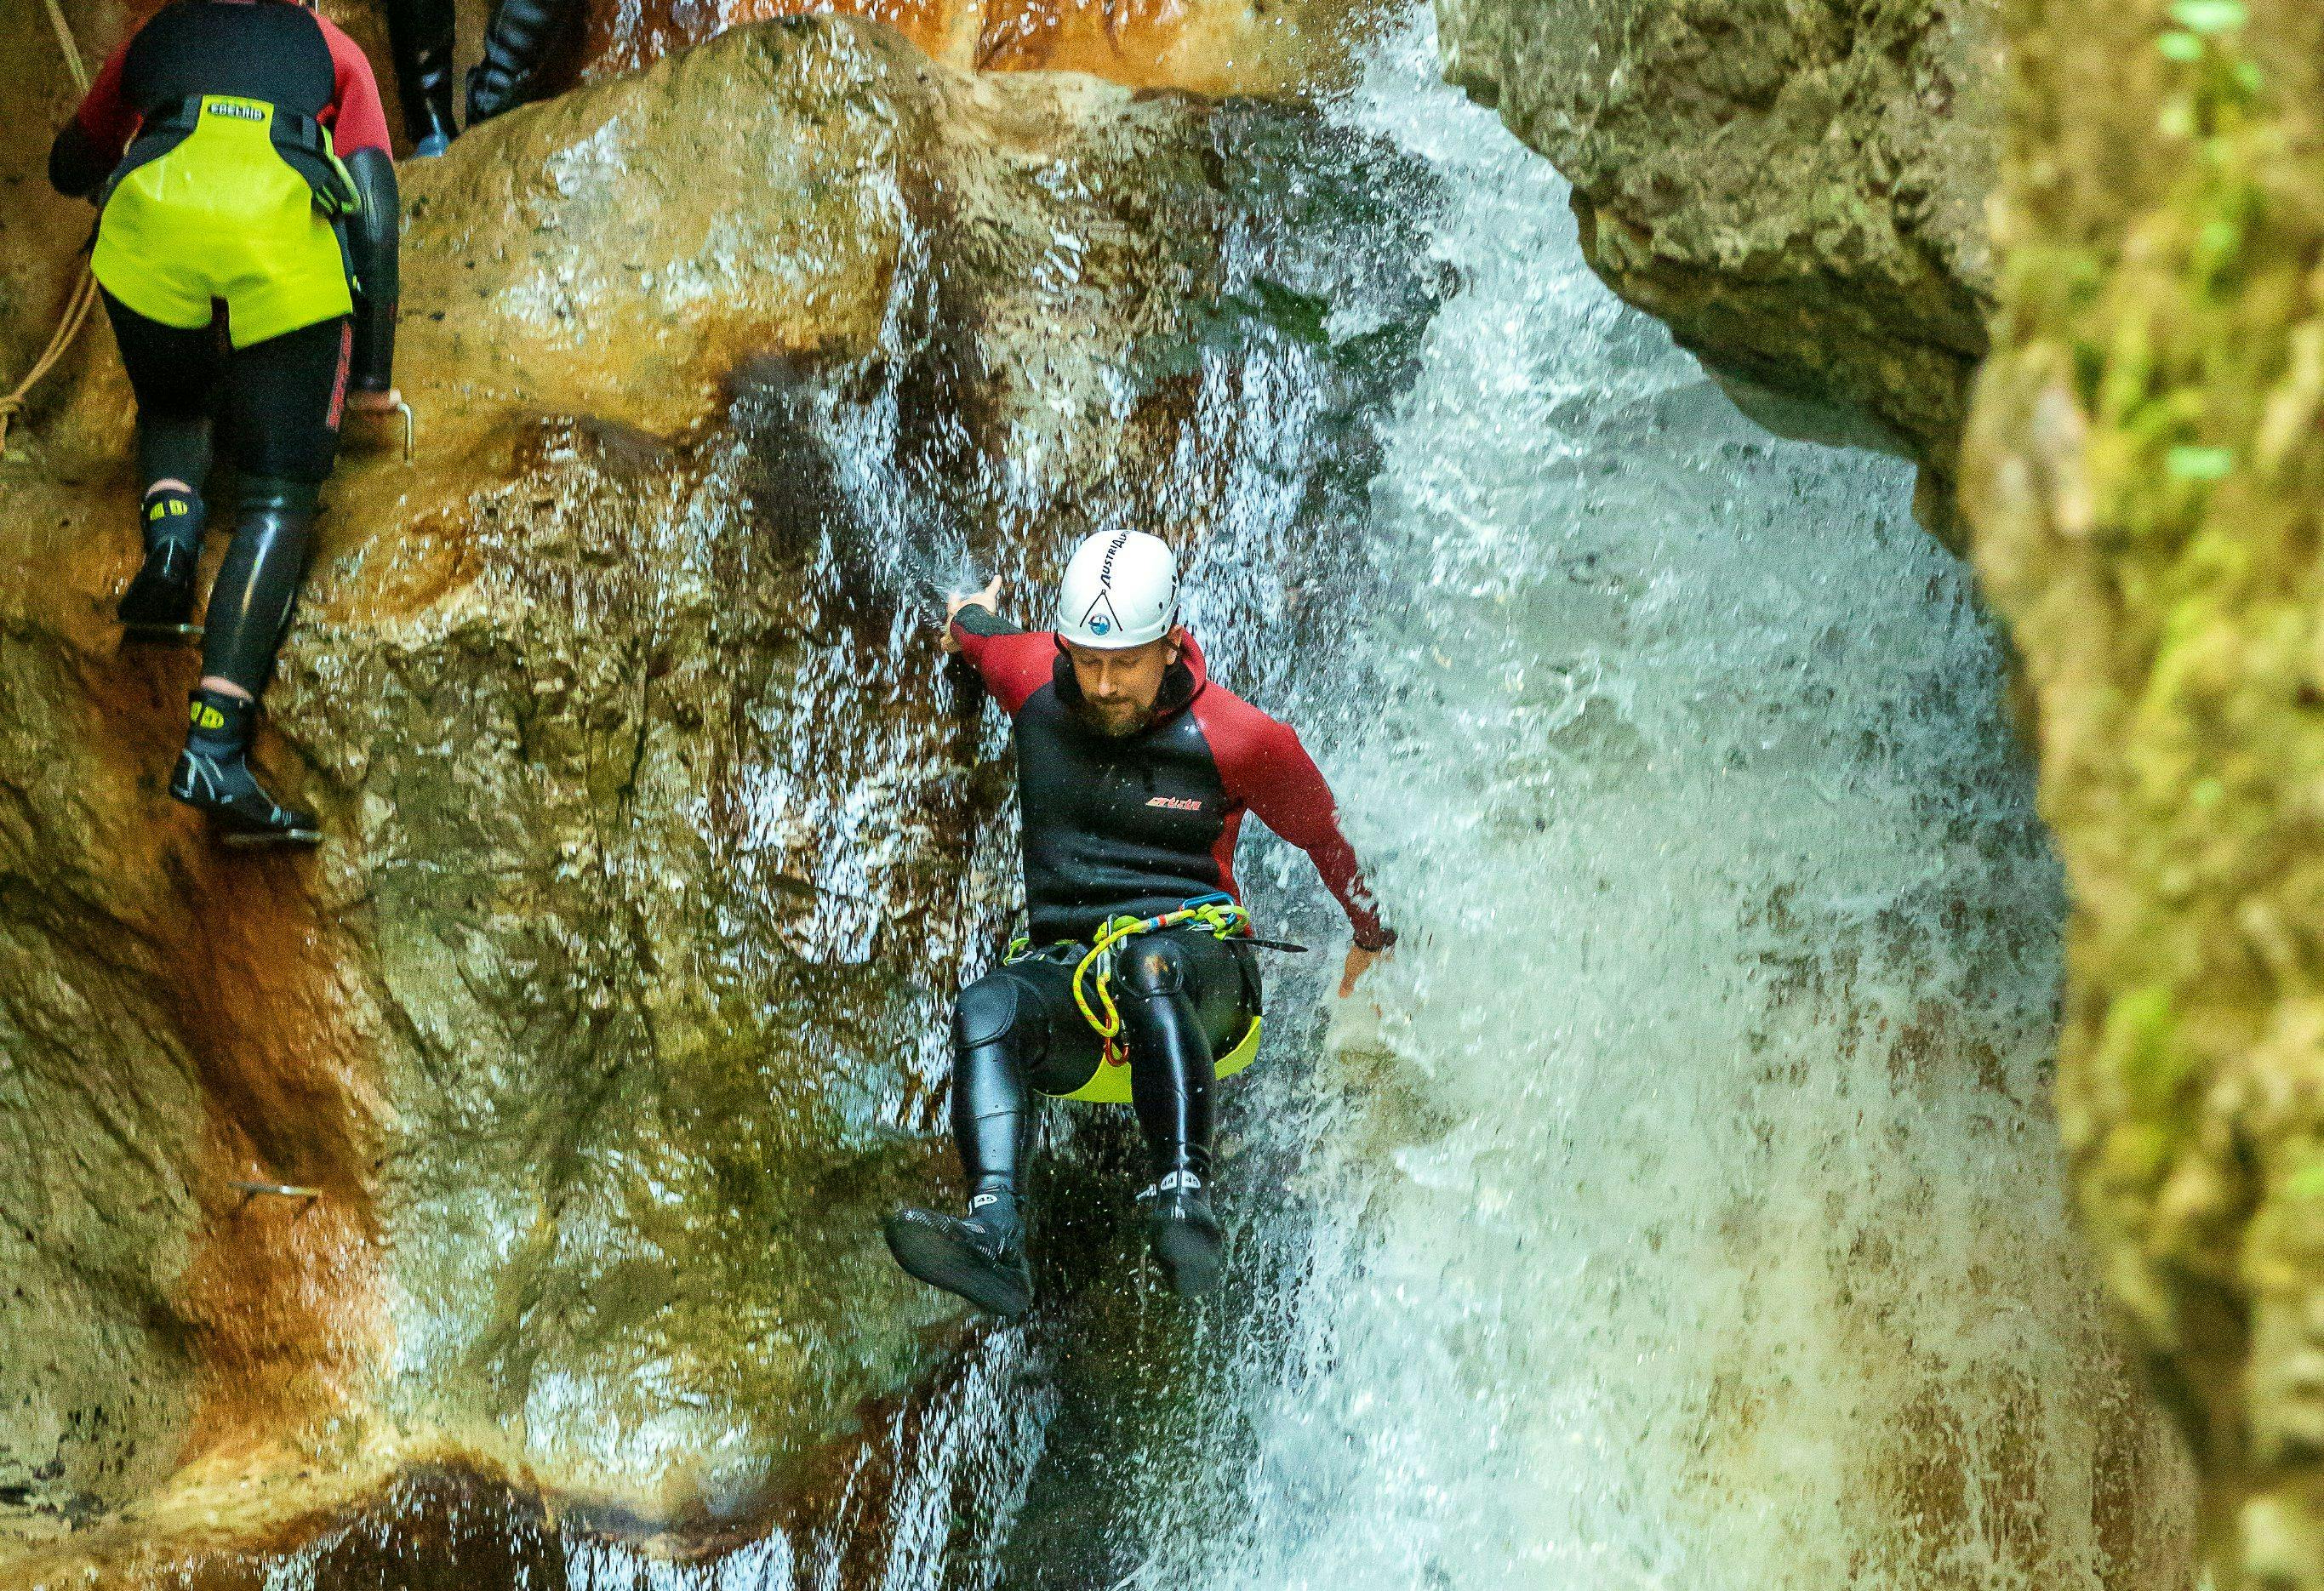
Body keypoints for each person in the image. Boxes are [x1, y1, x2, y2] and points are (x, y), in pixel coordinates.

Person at [884, 530, 1393, 1318]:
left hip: (1205, 993)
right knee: (985, 1006)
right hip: (1077, 994)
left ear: (1169, 641)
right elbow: (983, 640)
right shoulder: (1033, 683)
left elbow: (1331, 843)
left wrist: (1372, 942)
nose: (1105, 684)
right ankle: (993, 1236)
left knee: (1149, 964)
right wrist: (967, 618)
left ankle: (1185, 1200)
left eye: (1125, 661)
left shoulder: (1244, 738)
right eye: (1087, 660)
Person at [48, 0, 404, 846]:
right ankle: (215, 748)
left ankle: (167, 562)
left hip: (148, 233)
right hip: (277, 244)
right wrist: (374, 379)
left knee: (175, 397)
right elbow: (378, 214)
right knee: (278, 500)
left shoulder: (158, 34)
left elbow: (69, 166)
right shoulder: (332, 49)